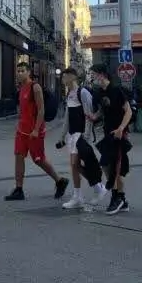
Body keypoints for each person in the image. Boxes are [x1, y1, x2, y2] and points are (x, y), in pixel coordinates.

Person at [4, 62, 68, 202]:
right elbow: (22, 110)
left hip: (35, 131)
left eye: (22, 71)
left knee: (38, 159)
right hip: (22, 130)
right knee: (19, 156)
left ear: (29, 72)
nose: (19, 73)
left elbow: (41, 110)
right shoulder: (21, 89)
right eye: (18, 71)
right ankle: (19, 189)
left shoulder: (35, 87)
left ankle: (59, 180)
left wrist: (36, 129)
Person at [56, 68, 107, 210]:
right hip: (72, 135)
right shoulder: (69, 94)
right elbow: (67, 117)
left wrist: (86, 135)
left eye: (64, 77)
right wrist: (62, 136)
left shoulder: (83, 93)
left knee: (74, 164)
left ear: (72, 77)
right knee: (75, 165)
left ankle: (82, 194)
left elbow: (89, 114)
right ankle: (94, 189)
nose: (62, 80)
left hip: (80, 135)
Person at [89, 64, 133, 215]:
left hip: (119, 134)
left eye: (93, 74)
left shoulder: (116, 90)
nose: (92, 77)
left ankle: (117, 198)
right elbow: (103, 109)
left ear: (102, 75)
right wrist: (94, 116)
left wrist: (121, 128)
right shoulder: (100, 92)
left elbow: (128, 112)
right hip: (108, 133)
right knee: (108, 165)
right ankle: (121, 199)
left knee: (116, 167)